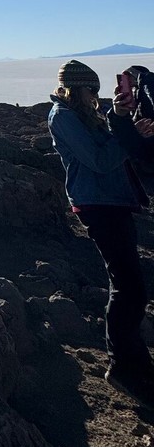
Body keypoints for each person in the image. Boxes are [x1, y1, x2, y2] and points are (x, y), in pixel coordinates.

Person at [48, 59, 154, 401]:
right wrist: (128, 135)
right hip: (97, 206)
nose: (96, 96)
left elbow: (111, 146)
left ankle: (133, 361)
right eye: (90, 89)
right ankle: (120, 367)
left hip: (114, 202)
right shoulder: (62, 117)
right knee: (128, 287)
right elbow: (100, 160)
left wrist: (125, 122)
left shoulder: (85, 114)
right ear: (75, 88)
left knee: (131, 285)